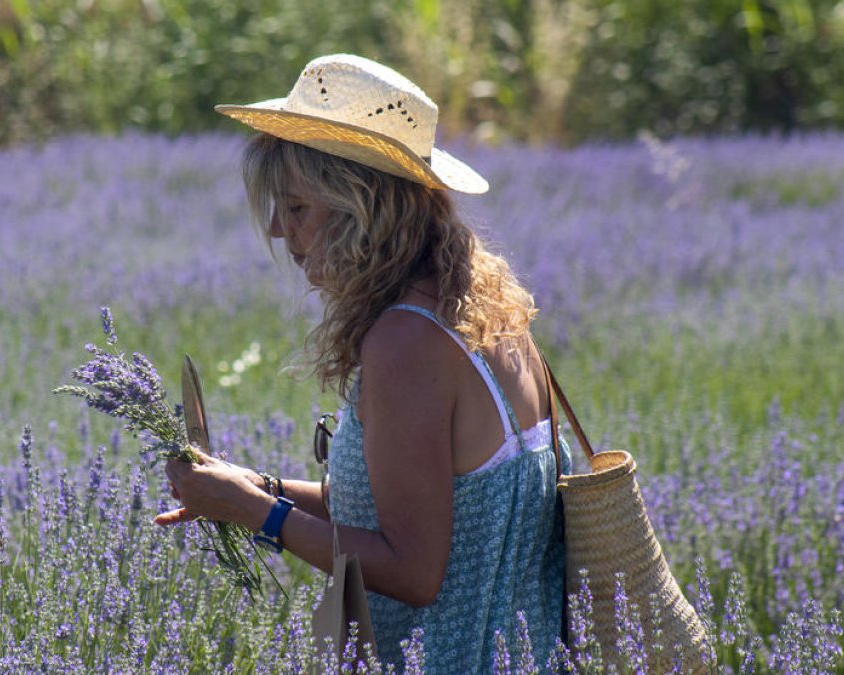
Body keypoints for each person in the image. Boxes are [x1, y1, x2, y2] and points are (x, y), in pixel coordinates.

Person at [154, 53, 570, 672]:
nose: (277, 229)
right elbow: (414, 502)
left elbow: (412, 568)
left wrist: (258, 516)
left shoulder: (406, 345)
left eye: (296, 208)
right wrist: (256, 487)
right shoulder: (488, 313)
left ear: (362, 207)